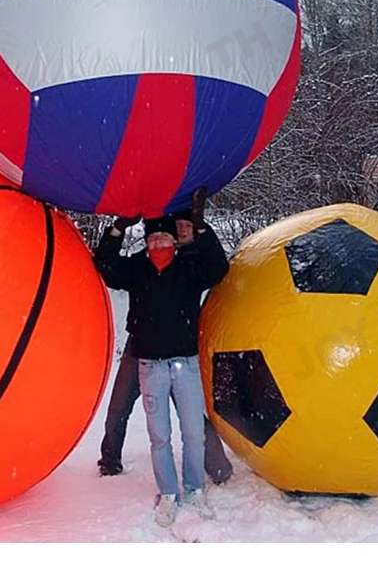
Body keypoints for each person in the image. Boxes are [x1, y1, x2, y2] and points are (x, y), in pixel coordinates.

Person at [94, 189, 229, 527]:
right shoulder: (137, 268)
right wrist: (117, 228)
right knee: (147, 427)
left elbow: (218, 268)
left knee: (194, 428)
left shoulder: (190, 266)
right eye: (152, 237)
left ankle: (207, 479)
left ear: (174, 238)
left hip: (183, 362)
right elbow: (106, 266)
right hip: (145, 357)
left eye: (163, 237)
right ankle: (137, 475)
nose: (157, 243)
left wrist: (200, 227)